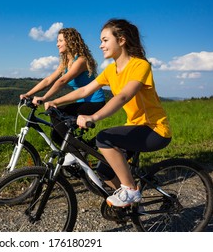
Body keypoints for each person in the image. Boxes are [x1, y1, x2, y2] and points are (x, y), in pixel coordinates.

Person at [45, 19, 172, 207]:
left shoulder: (140, 65)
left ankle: (130, 189)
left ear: (121, 40)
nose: (100, 45)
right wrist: (55, 101)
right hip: (135, 127)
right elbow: (84, 91)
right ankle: (130, 204)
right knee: (104, 169)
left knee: (104, 138)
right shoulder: (111, 69)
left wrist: (93, 116)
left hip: (155, 130)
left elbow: (123, 97)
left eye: (105, 40)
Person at [20, 28, 106, 150]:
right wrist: (28, 94)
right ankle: (80, 152)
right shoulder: (66, 62)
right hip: (81, 102)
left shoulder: (81, 60)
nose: (57, 44)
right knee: (56, 134)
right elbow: (49, 80)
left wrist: (44, 98)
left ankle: (77, 155)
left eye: (60, 40)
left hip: (94, 102)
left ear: (70, 41)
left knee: (56, 116)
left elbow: (62, 81)